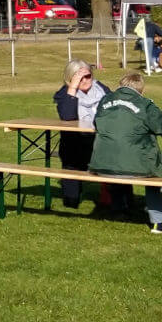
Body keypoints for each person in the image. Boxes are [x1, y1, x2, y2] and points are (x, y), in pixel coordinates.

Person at [89, 72, 162, 233]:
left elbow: (96, 123)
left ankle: (118, 208)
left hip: (102, 164)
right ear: (141, 89)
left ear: (120, 85)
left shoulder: (104, 101)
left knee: (119, 156)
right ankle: (157, 219)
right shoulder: (145, 104)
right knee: (159, 162)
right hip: (132, 165)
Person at [52, 60, 109, 210]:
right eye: (79, 77)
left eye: (87, 76)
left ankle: (115, 201)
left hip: (101, 142)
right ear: (70, 78)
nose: (84, 81)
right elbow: (67, 116)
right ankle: (71, 200)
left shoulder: (102, 89)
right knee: (71, 161)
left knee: (115, 159)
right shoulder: (64, 93)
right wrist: (73, 87)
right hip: (75, 144)